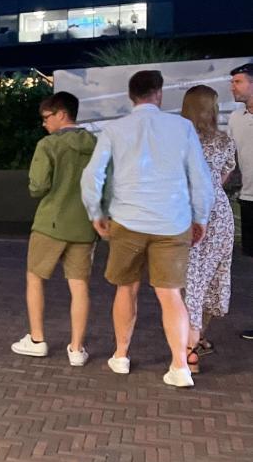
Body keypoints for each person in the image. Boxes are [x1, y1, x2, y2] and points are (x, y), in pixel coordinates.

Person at [80, 69, 214, 388]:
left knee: (126, 288)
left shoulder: (115, 128)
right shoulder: (181, 127)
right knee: (171, 294)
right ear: (159, 93)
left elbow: (92, 176)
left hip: (127, 221)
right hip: (173, 221)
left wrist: (95, 211)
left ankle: (121, 355)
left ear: (131, 96)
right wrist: (201, 217)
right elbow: (200, 177)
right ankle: (179, 366)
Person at [11, 91, 97, 365]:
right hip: (84, 225)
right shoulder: (96, 143)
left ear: (61, 114)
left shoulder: (48, 145)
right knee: (80, 286)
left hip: (50, 222)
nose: (45, 123)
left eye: (47, 117)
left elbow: (38, 187)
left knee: (35, 278)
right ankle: (76, 348)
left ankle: (37, 339)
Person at [181, 85, 236, 371]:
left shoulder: (179, 139)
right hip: (219, 215)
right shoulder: (224, 141)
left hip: (187, 214)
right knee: (212, 280)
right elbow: (224, 176)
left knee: (189, 281)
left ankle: (187, 350)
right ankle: (197, 339)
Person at [225, 62, 253, 340]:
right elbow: (229, 161)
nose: (232, 87)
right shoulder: (235, 118)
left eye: (238, 82)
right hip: (248, 198)